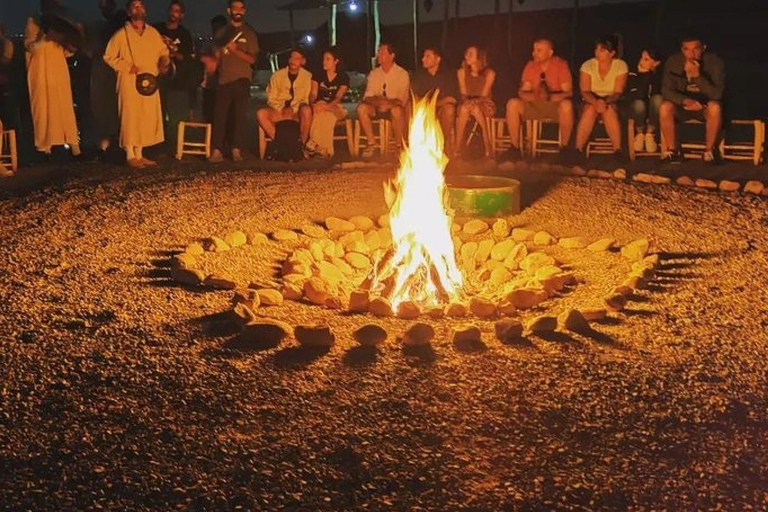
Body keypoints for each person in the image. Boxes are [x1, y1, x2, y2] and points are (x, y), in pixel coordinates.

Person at [104, 0, 170, 168]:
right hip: (129, 80)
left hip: (149, 82)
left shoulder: (153, 33)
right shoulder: (121, 34)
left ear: (145, 10)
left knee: (145, 116)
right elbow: (109, 56)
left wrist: (163, 62)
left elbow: (163, 51)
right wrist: (126, 67)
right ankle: (130, 154)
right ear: (129, 12)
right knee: (130, 115)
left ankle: (140, 154)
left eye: (141, 5)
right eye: (134, 6)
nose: (138, 8)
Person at [24, 2, 82, 158]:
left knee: (64, 105)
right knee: (43, 108)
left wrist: (71, 45)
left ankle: (73, 144)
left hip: (58, 70)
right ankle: (45, 147)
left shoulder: (60, 23)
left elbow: (65, 51)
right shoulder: (34, 22)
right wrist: (45, 37)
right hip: (40, 71)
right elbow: (31, 47)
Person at [503, 38, 573, 161]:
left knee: (567, 105)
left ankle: (565, 148)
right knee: (512, 104)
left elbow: (568, 92)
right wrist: (535, 96)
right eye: (534, 50)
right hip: (534, 105)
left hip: (554, 106)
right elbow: (523, 91)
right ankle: (514, 148)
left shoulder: (560, 65)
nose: (534, 53)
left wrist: (550, 97)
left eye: (539, 50)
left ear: (550, 52)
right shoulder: (531, 66)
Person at [658, 35, 725, 163]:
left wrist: (697, 76)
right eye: (687, 49)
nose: (691, 54)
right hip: (683, 106)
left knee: (715, 107)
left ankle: (709, 151)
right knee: (665, 107)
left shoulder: (715, 62)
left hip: (705, 107)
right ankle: (672, 151)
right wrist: (686, 101)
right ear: (682, 50)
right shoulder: (674, 62)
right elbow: (666, 90)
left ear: (703, 48)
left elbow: (717, 94)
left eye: (695, 49)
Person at [208, 0, 258, 163]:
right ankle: (217, 150)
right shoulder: (221, 32)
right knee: (220, 116)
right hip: (223, 80)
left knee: (239, 117)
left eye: (241, 8)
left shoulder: (249, 33)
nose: (238, 11)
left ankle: (236, 149)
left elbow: (252, 59)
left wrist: (235, 50)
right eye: (235, 8)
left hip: (242, 79)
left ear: (244, 11)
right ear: (229, 11)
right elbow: (215, 57)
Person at [573, 35, 628, 161]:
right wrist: (595, 102)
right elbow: (585, 91)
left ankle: (617, 150)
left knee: (609, 110)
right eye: (597, 49)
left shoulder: (620, 65)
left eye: (602, 50)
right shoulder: (587, 65)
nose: (597, 53)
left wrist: (605, 102)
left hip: (611, 99)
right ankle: (578, 149)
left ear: (612, 53)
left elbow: (618, 91)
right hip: (591, 99)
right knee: (590, 110)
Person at [153, 0, 196, 151]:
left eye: (177, 11)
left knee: (175, 114)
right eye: (172, 10)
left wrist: (173, 53)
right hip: (158, 76)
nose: (173, 13)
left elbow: (187, 57)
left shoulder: (184, 34)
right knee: (158, 112)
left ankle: (174, 145)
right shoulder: (156, 29)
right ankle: (157, 144)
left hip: (177, 79)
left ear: (182, 15)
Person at [356, 42, 410, 158]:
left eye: (382, 52)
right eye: (378, 52)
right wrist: (380, 102)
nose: (379, 55)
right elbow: (368, 96)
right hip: (376, 107)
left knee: (397, 110)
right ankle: (371, 143)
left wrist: (387, 104)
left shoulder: (402, 74)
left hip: (394, 108)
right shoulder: (374, 74)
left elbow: (401, 99)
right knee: (361, 108)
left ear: (392, 56)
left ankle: (398, 145)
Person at [86, 0, 126, 154]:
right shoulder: (99, 27)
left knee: (114, 106)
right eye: (101, 6)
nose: (104, 9)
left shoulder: (119, 23)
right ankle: (108, 142)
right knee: (103, 107)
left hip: (113, 70)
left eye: (106, 5)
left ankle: (115, 141)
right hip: (101, 71)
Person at [256, 49, 312, 153]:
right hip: (279, 111)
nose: (293, 60)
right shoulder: (277, 75)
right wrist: (281, 108)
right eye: (291, 57)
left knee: (306, 110)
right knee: (261, 113)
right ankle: (281, 143)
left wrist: (293, 108)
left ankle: (301, 145)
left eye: (297, 58)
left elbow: (305, 98)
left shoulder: (307, 77)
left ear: (303, 61)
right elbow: (271, 97)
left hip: (296, 112)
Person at [410, 45, 458, 152]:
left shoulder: (448, 75)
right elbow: (417, 98)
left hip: (440, 109)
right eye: (423, 56)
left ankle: (442, 144)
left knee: (449, 109)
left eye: (428, 56)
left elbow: (452, 99)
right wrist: (436, 103)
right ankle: (417, 146)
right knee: (413, 109)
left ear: (438, 59)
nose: (423, 59)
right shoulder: (419, 75)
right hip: (424, 109)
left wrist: (433, 103)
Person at [306, 47, 349, 157]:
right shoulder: (317, 75)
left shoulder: (343, 77)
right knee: (324, 115)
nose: (324, 62)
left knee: (326, 113)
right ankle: (326, 151)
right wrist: (312, 104)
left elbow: (338, 97)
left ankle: (314, 141)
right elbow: (313, 94)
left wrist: (327, 106)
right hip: (320, 106)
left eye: (328, 59)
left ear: (336, 61)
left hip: (337, 107)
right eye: (323, 59)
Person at [455, 45, 496, 159]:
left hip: (485, 103)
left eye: (471, 54)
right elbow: (463, 93)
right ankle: (457, 148)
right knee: (465, 108)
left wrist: (474, 102)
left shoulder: (490, 73)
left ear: (479, 57)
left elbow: (484, 95)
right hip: (467, 102)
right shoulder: (461, 72)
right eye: (466, 53)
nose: (467, 56)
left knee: (476, 108)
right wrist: (468, 102)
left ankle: (486, 142)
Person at [624, 46, 663, 153]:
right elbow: (638, 94)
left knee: (658, 99)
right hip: (636, 109)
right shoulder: (633, 74)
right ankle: (640, 133)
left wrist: (649, 74)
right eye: (641, 58)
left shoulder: (658, 76)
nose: (641, 61)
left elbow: (656, 92)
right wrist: (645, 74)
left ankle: (650, 134)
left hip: (652, 111)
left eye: (646, 59)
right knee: (639, 104)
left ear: (656, 63)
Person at [200, 15, 227, 124]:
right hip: (209, 86)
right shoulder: (209, 44)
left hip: (222, 85)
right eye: (214, 27)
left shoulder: (228, 44)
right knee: (209, 115)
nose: (216, 30)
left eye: (218, 27)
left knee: (223, 116)